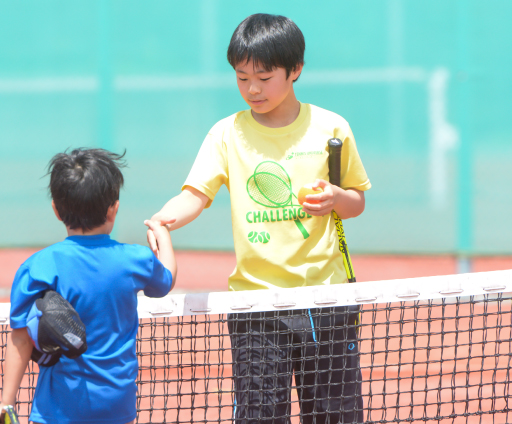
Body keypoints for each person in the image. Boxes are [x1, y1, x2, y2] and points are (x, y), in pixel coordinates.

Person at [148, 13, 371, 424]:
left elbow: (356, 201)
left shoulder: (331, 127)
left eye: (264, 77)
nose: (252, 89)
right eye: (241, 76)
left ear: (295, 70)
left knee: (335, 417)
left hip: (326, 299)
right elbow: (195, 194)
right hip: (255, 306)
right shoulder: (225, 134)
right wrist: (164, 219)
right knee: (260, 418)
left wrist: (338, 198)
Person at [0, 148, 176, 424]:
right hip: (117, 408)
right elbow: (165, 280)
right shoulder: (136, 259)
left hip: (58, 409)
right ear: (113, 208)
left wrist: (7, 405)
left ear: (56, 210)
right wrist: (162, 236)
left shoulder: (38, 266)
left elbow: (20, 338)